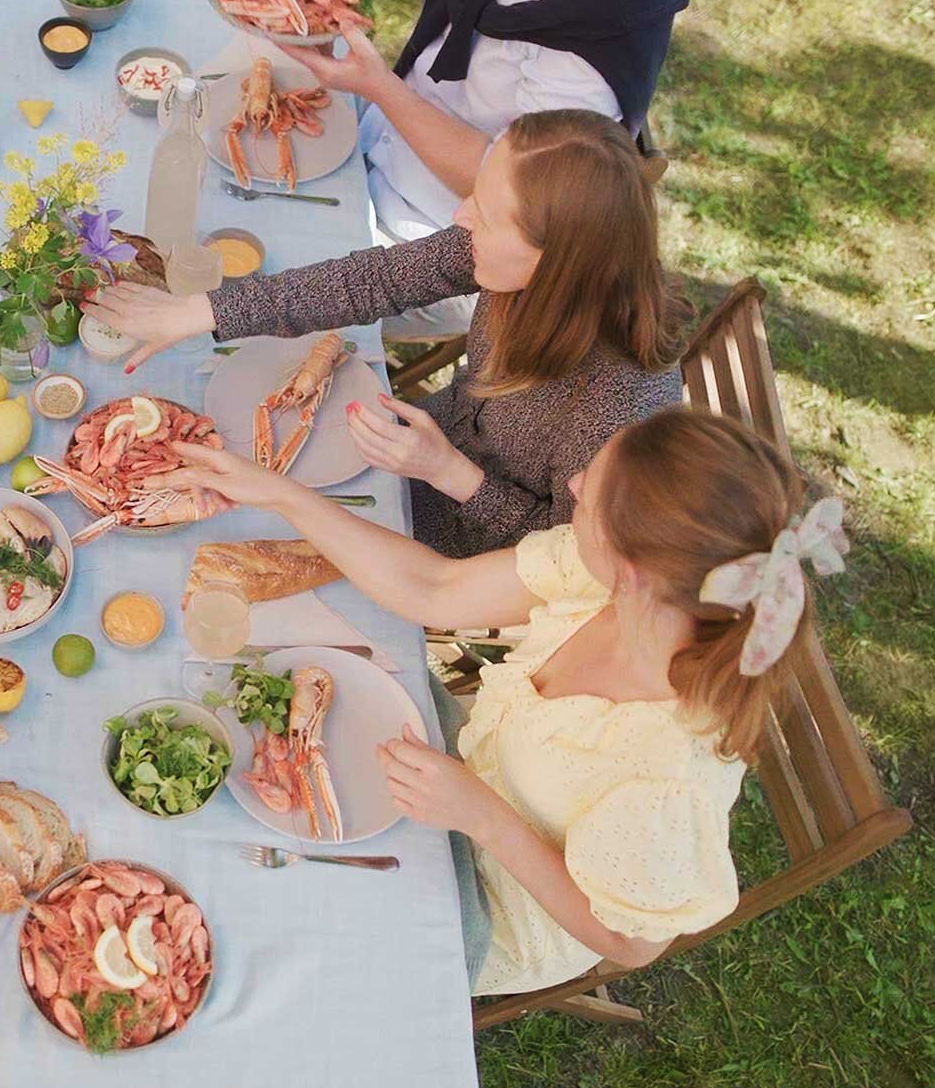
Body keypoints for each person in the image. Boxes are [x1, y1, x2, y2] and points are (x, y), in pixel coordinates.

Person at [149, 409, 847, 994]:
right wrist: (281, 495)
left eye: (589, 492)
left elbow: (630, 945)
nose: (571, 484)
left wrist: (484, 819)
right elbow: (435, 591)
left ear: (634, 570)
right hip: (453, 775)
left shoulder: (669, 770)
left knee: (244, 936)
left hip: (488, 904)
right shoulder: (617, 579)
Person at [85, 108, 683, 558]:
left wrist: (450, 472)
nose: (459, 215)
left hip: (447, 549)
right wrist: (200, 313)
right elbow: (371, 280)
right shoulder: (534, 267)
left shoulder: (621, 405)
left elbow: (565, 563)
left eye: (487, 214)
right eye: (476, 191)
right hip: (398, 447)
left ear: (556, 261)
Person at [285, 0, 686, 337]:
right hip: (378, 131)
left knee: (253, 277)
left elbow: (511, 188)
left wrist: (379, 88)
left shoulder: (609, 25)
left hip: (439, 239)